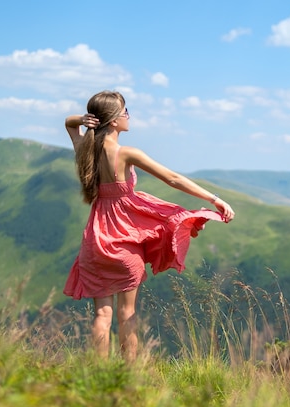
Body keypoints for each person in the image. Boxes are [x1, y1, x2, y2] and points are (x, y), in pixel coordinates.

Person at [63, 90, 234, 361]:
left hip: (96, 240)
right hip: (125, 243)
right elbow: (173, 179)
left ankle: (98, 373)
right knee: (127, 313)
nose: (128, 116)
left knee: (102, 315)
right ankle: (130, 374)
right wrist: (214, 198)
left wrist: (82, 120)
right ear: (114, 120)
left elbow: (69, 124)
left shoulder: (86, 150)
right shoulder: (125, 153)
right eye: (125, 111)